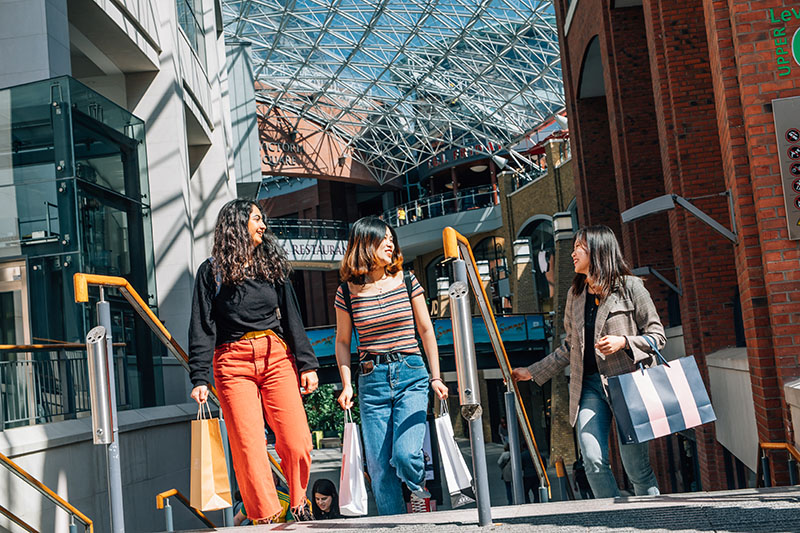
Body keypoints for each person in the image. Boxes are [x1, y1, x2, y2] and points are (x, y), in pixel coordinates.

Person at [188, 199, 319, 523]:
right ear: (237, 224)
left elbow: (291, 315)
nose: (263, 225)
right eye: (256, 219)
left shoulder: (271, 266)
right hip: (232, 364)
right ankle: (267, 517)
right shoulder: (212, 271)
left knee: (297, 439)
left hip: (276, 357)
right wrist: (200, 378)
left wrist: (307, 363)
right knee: (249, 446)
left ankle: (298, 500)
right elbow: (202, 326)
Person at [512, 224, 664, 498]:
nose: (572, 253)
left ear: (598, 249)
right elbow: (570, 347)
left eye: (578, 247)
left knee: (636, 470)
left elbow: (657, 336)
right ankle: (614, 519)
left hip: (628, 387)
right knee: (592, 460)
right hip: (590, 387)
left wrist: (625, 342)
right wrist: (531, 372)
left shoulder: (630, 287)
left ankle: (651, 516)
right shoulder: (576, 294)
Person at [334, 216, 449, 515]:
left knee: (405, 454)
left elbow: (426, 330)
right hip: (372, 381)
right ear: (364, 244)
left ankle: (416, 489)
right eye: (382, 238)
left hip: (411, 373)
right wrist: (346, 384)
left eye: (391, 238)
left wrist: (436, 377)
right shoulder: (346, 292)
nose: (390, 243)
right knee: (379, 468)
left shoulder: (408, 280)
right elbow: (343, 342)